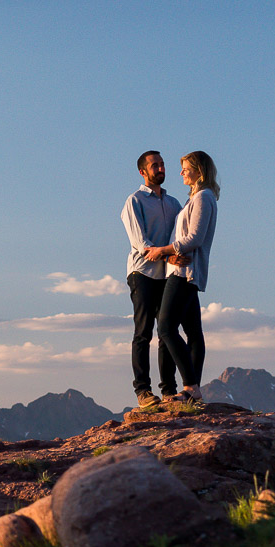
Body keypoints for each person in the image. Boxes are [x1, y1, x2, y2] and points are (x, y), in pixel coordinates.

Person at [145, 150, 219, 402]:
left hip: (185, 272)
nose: (181, 172)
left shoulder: (203, 198)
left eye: (185, 167)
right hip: (182, 269)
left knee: (165, 327)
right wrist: (169, 255)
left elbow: (194, 238)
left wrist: (162, 251)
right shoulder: (195, 199)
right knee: (193, 331)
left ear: (199, 170)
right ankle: (193, 391)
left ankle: (190, 386)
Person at [120, 151, 183, 407]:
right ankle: (143, 391)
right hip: (142, 273)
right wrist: (169, 257)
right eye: (154, 165)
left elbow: (181, 235)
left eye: (162, 164)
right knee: (143, 332)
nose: (160, 168)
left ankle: (169, 390)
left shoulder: (174, 203)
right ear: (142, 172)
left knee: (167, 331)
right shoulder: (134, 201)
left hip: (167, 276)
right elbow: (140, 242)